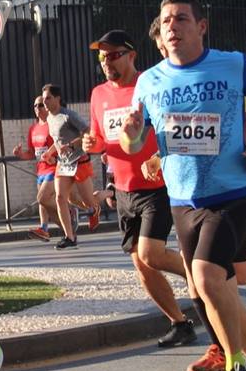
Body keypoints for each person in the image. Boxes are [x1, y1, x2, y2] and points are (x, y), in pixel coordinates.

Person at [122, 0, 246, 371]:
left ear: (202, 26)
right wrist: (131, 133)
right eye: (165, 21)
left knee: (204, 275)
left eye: (181, 18)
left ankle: (236, 367)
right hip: (182, 200)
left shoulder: (233, 64)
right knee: (213, 292)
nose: (171, 26)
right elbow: (133, 142)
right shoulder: (149, 81)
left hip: (231, 194)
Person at [82, 30, 197, 349]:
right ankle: (180, 322)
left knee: (151, 253)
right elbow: (100, 139)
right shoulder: (98, 95)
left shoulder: (150, 84)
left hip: (157, 185)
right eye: (101, 56)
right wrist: (92, 145)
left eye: (113, 54)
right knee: (143, 265)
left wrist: (160, 157)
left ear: (131, 55)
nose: (106, 62)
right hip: (123, 190)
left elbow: (175, 125)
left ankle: (207, 276)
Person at [39, 84, 101, 249]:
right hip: (64, 163)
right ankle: (70, 237)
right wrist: (50, 153)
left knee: (89, 200)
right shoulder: (50, 118)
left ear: (57, 98)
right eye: (43, 99)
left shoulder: (68, 115)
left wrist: (72, 145)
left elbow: (88, 131)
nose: (45, 102)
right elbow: (57, 141)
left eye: (48, 98)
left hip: (79, 160)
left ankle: (104, 199)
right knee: (61, 198)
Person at [12, 98, 64, 242]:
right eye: (34, 105)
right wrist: (20, 154)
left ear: (46, 107)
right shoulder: (33, 129)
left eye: (40, 105)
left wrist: (56, 158)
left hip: (54, 168)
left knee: (42, 198)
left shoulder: (53, 125)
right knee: (44, 202)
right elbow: (32, 153)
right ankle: (47, 229)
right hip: (40, 170)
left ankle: (68, 212)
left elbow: (62, 144)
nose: (37, 108)